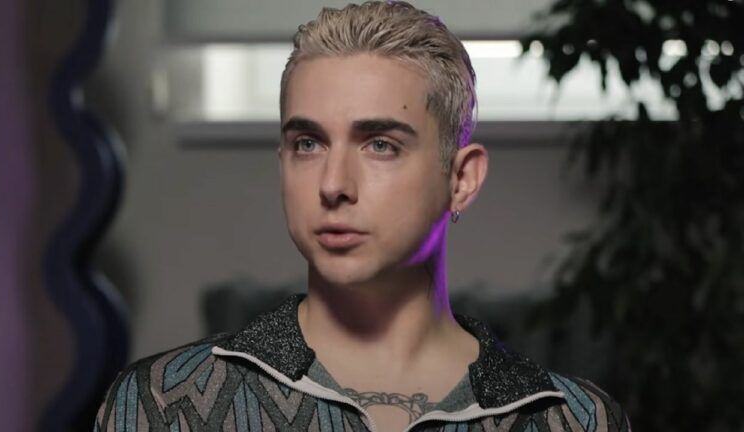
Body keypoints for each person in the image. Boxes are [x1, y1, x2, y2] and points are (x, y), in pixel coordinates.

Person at [94, 1, 631, 430]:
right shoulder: (163, 405)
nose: (333, 185)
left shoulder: (570, 420)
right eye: (308, 143)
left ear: (461, 179)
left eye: (380, 145)